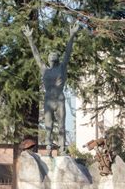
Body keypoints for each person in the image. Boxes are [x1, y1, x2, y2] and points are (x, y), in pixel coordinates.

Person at [22, 22, 82, 156]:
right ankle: (48, 147)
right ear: (48, 58)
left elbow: (68, 52)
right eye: (50, 54)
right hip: (48, 99)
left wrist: (72, 35)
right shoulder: (44, 69)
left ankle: (62, 148)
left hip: (59, 99)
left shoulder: (62, 67)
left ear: (57, 58)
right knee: (48, 126)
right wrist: (30, 39)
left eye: (55, 54)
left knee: (61, 125)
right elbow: (36, 55)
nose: (53, 56)